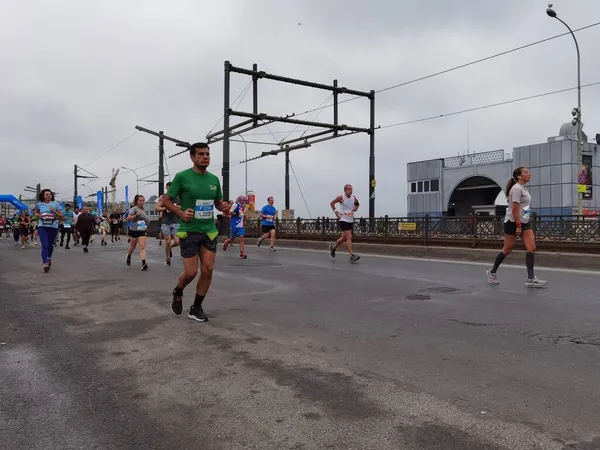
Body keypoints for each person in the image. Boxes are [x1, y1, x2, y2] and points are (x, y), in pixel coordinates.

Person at [162, 142, 230, 322]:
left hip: (209, 230)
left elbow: (217, 203)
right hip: (189, 230)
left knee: (208, 270)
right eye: (200, 154)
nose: (205, 157)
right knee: (191, 272)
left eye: (207, 154)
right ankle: (178, 290)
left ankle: (196, 307)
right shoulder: (182, 177)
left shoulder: (214, 180)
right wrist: (181, 213)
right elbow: (166, 200)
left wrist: (222, 205)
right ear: (192, 157)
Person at [486, 167, 546, 287]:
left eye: (528, 172)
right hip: (512, 222)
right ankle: (492, 272)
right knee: (507, 249)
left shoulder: (523, 188)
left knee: (531, 248)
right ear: (519, 176)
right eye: (526, 172)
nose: (529, 174)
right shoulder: (517, 189)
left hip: (524, 222)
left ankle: (531, 278)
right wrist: (518, 225)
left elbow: (526, 206)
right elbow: (514, 209)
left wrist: (526, 217)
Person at [329, 184, 360, 262]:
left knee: (343, 238)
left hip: (350, 220)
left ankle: (333, 248)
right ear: (345, 190)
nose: (351, 191)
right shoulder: (341, 197)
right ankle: (351, 256)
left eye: (351, 189)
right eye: (349, 189)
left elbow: (357, 204)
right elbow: (332, 203)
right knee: (349, 237)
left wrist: (355, 208)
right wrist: (336, 213)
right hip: (343, 219)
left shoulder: (354, 198)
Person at [34, 189, 64, 272]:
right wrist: (39, 215)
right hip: (42, 226)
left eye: (50, 194)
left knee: (50, 245)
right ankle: (45, 263)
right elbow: (36, 213)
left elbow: (61, 216)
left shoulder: (56, 204)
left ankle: (49, 258)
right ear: (43, 196)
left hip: (53, 226)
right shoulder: (39, 204)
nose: (48, 196)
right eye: (46, 194)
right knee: (45, 244)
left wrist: (54, 211)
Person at [156, 181, 181, 266]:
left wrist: (178, 208)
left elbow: (184, 207)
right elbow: (157, 207)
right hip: (166, 222)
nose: (171, 190)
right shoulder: (163, 197)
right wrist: (165, 208)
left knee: (177, 242)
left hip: (176, 221)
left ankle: (170, 247)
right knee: (167, 241)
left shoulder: (178, 197)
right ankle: (167, 258)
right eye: (169, 188)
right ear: (166, 188)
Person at [125, 195, 149, 270]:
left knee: (142, 246)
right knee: (133, 246)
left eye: (143, 200)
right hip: (134, 230)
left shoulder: (144, 210)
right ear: (136, 201)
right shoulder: (134, 209)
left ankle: (143, 263)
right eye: (140, 200)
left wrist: (147, 221)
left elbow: (145, 219)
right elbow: (128, 218)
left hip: (142, 229)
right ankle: (129, 255)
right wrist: (136, 215)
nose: (142, 202)